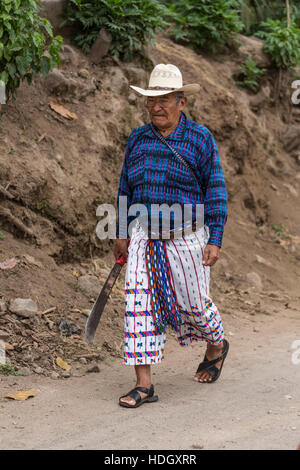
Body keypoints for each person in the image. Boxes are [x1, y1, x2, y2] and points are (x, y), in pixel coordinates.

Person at [114, 64, 229, 408]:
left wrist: (216, 237)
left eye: (165, 100)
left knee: (194, 304)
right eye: (152, 100)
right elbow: (125, 187)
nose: (157, 107)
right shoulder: (137, 138)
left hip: (188, 237)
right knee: (139, 306)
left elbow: (216, 190)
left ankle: (216, 344)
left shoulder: (200, 138)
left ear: (182, 102)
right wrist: (121, 231)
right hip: (143, 237)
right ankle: (144, 384)